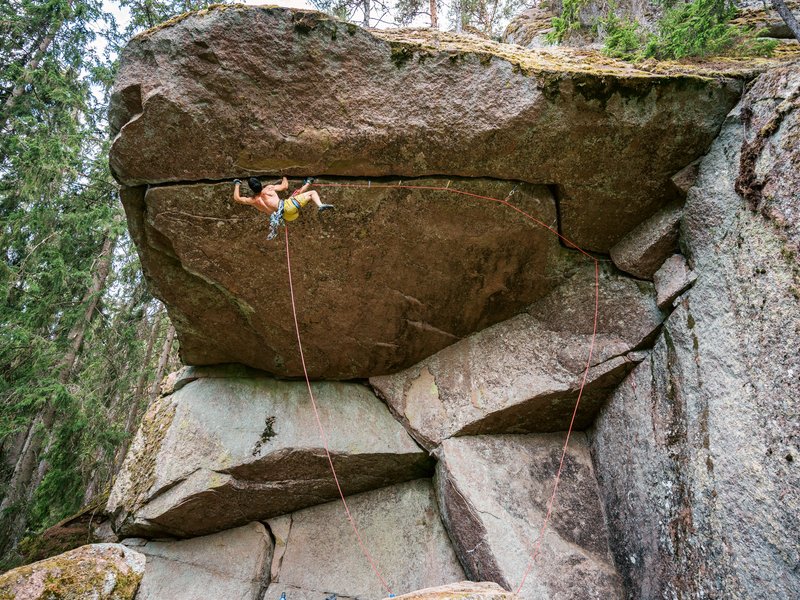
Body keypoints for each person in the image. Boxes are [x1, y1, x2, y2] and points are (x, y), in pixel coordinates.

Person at [232, 176, 333, 239]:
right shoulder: (268, 189)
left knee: (295, 195)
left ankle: (308, 182)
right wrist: (284, 176)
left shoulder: (252, 200)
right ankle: (320, 205)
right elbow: (284, 186)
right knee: (312, 193)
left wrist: (237, 184)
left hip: (287, 217)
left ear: (251, 189)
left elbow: (237, 198)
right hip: (288, 207)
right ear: (260, 184)